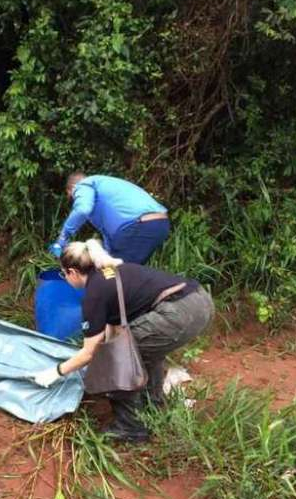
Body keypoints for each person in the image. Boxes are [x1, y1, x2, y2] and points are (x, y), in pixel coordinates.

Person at [33, 239, 213, 442]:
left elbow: (89, 353)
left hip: (179, 311)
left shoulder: (94, 294)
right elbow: (115, 330)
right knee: (143, 350)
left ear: (73, 272)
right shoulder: (108, 273)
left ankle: (131, 427)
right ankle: (153, 407)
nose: (65, 278)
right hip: (200, 300)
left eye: (63, 274)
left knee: (118, 358)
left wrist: (56, 372)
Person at [49, 173, 170, 265]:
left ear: (70, 190)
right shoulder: (102, 190)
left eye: (71, 195)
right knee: (118, 271)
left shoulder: (84, 184)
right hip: (158, 225)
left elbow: (82, 210)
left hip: (138, 226)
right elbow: (107, 232)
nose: (73, 198)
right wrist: (107, 254)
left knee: (117, 277)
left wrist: (63, 237)